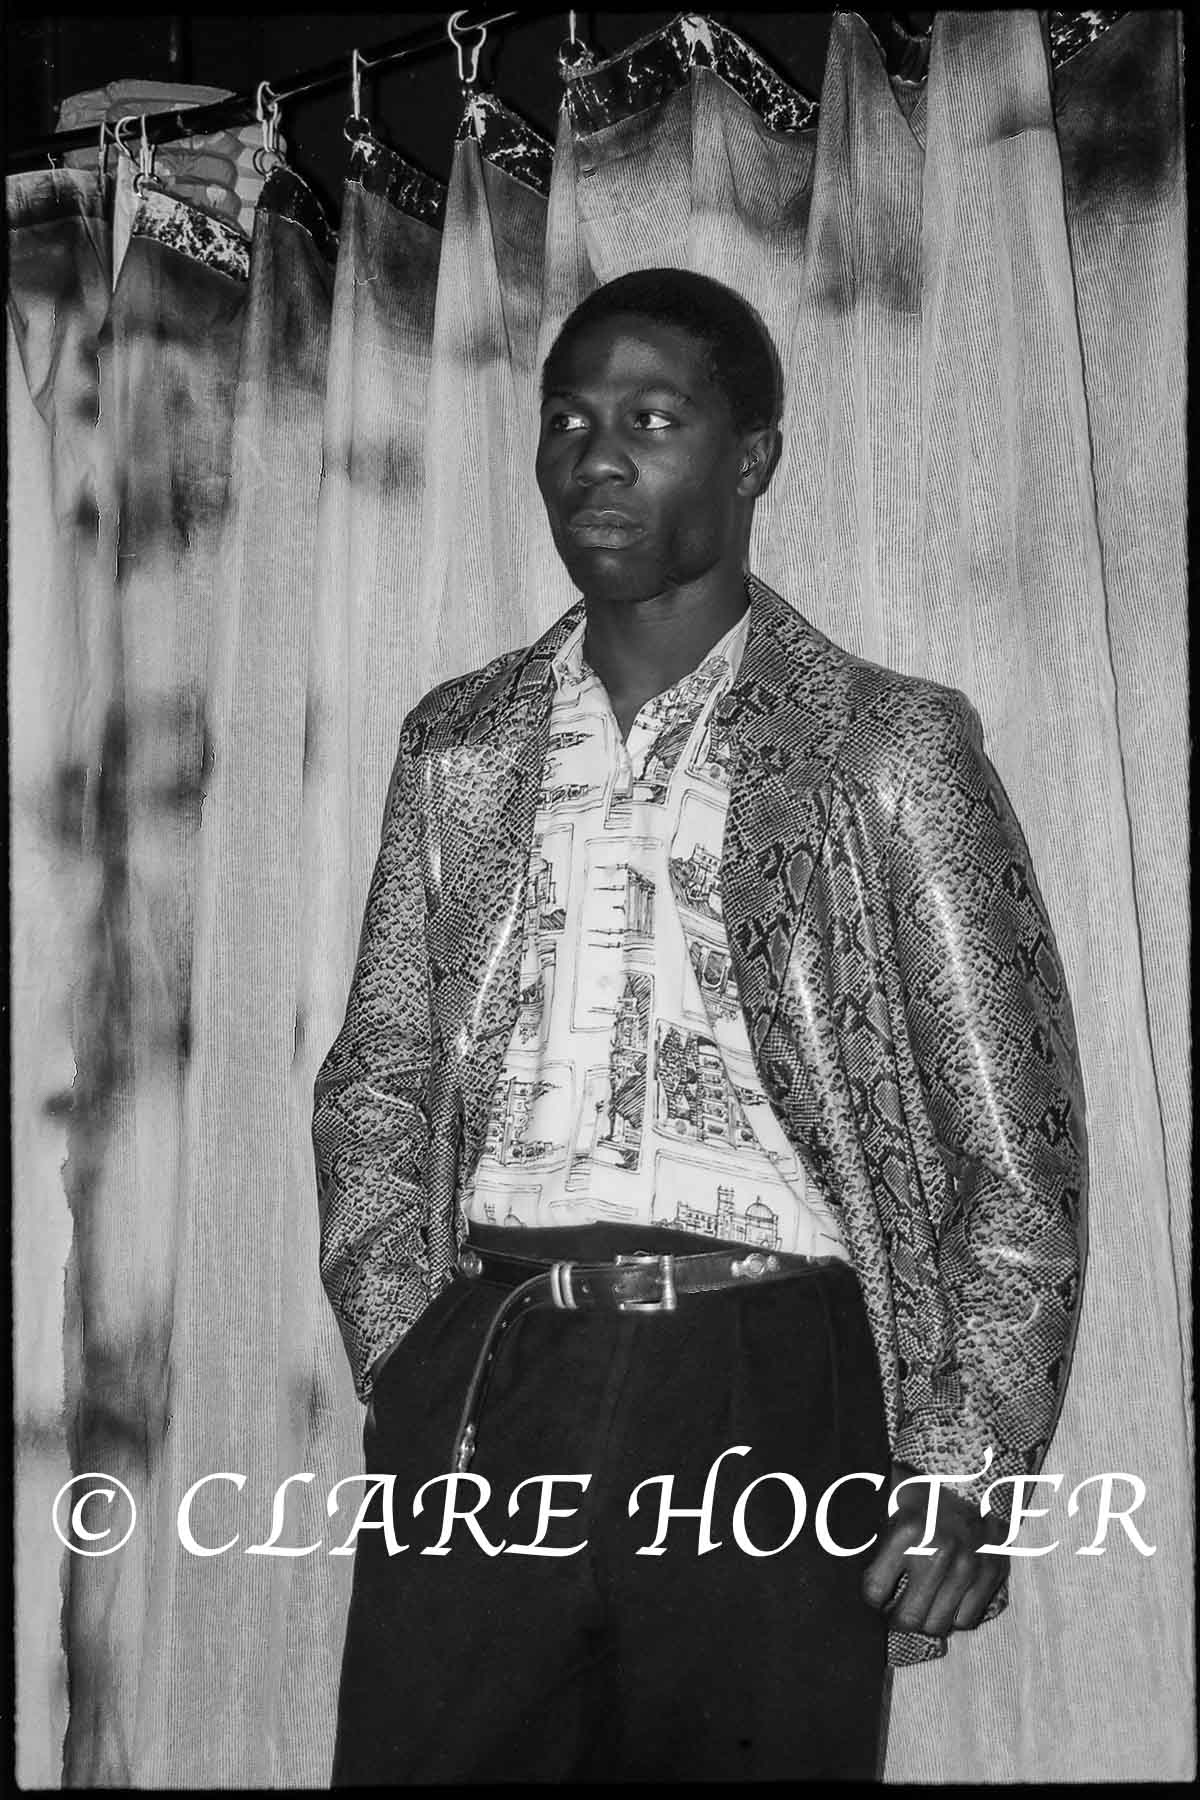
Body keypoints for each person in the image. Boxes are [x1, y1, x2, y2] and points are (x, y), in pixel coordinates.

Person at [313, 268, 1087, 1784]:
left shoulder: (884, 749)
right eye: (567, 421)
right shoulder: (460, 743)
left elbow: (1015, 1147)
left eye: (652, 420)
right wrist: (406, 1355)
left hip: (767, 1376)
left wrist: (966, 1464)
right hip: (493, 1367)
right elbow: (383, 1076)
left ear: (752, 458)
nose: (596, 459)